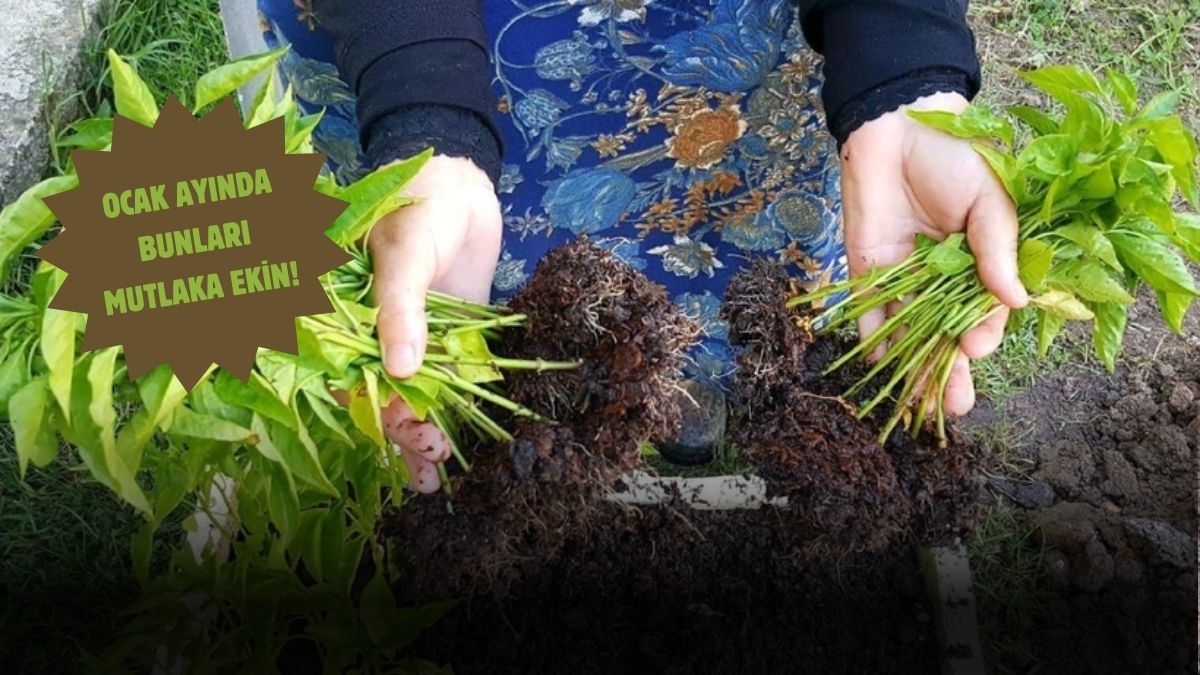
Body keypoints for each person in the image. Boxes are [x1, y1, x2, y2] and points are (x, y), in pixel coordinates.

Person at [251, 0, 1027, 491]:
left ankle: (678, 380)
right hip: (422, 28)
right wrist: (425, 110)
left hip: (728, 39)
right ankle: (536, 419)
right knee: (462, 266)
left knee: (729, 232)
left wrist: (899, 64)